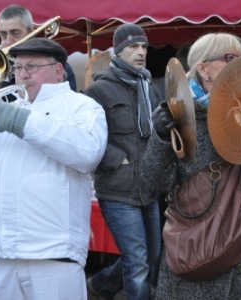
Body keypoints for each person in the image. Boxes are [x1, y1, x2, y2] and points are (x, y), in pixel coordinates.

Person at [140, 32, 241, 299]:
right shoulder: (178, 114)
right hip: (194, 252)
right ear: (202, 69)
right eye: (230, 58)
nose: (240, 65)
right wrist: (162, 138)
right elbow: (152, 183)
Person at [0, 38, 107, 300]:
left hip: (52, 255)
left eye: (32, 66)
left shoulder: (82, 106)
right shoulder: (5, 106)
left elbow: (88, 152)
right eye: (17, 68)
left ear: (58, 70)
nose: (22, 74)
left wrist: (19, 121)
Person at [84, 24, 162, 300]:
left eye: (144, 47)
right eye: (133, 47)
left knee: (151, 253)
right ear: (118, 51)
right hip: (117, 186)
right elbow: (88, 138)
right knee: (138, 260)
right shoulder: (99, 90)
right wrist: (120, 159)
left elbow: (155, 135)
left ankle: (102, 284)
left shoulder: (149, 87)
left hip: (148, 186)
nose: (141, 53)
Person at [0, 4, 77, 98]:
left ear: (31, 33)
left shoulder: (57, 65)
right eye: (3, 34)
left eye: (15, 33)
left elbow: (65, 103)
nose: (8, 41)